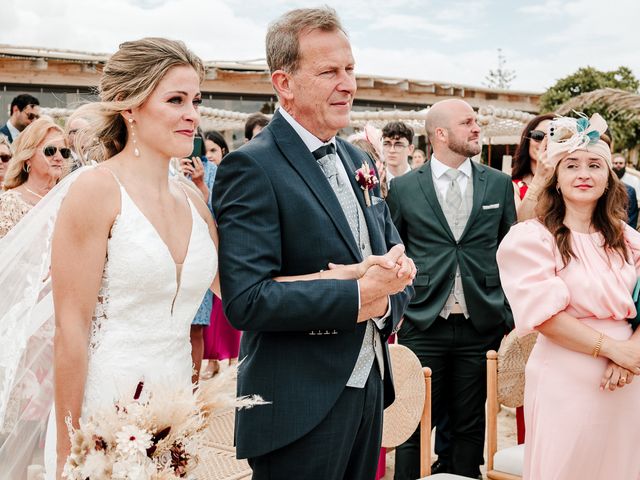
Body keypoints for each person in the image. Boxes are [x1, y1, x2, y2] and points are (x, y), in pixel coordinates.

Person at [0, 38, 221, 480]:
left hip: (177, 412)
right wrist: (70, 448)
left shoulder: (194, 200)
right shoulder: (95, 190)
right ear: (128, 105)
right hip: (104, 412)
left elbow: (242, 293)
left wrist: (349, 279)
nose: (192, 114)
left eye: (195, 100)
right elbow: (71, 327)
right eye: (175, 99)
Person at [213, 7, 415, 480]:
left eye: (350, 69)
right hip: (296, 404)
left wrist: (388, 297)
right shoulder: (252, 167)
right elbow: (246, 299)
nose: (347, 83)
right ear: (284, 82)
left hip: (368, 388)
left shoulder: (355, 157)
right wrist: (357, 296)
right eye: (329, 72)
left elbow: (393, 257)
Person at [497, 113, 640, 480]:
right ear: (556, 179)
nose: (584, 174)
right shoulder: (531, 239)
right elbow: (544, 315)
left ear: (609, 178)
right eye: (572, 165)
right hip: (565, 379)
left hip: (628, 382)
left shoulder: (628, 239)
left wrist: (631, 353)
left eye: (595, 165)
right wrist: (614, 349)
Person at [387, 98, 516, 479]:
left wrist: (505, 313)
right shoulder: (405, 188)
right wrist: (400, 311)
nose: (477, 128)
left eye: (476, 122)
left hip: (481, 325)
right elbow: (394, 252)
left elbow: (510, 253)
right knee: (413, 424)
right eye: (468, 122)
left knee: (469, 425)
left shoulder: (498, 184)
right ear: (440, 134)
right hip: (423, 323)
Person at [0, 118, 68, 238]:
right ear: (28, 158)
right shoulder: (9, 203)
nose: (59, 157)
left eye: (64, 152)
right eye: (50, 150)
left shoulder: (70, 197)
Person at [511, 113, 556, 221]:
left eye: (553, 136)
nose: (545, 143)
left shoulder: (567, 181)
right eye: (538, 136)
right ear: (527, 140)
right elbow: (520, 224)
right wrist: (540, 177)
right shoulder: (512, 185)